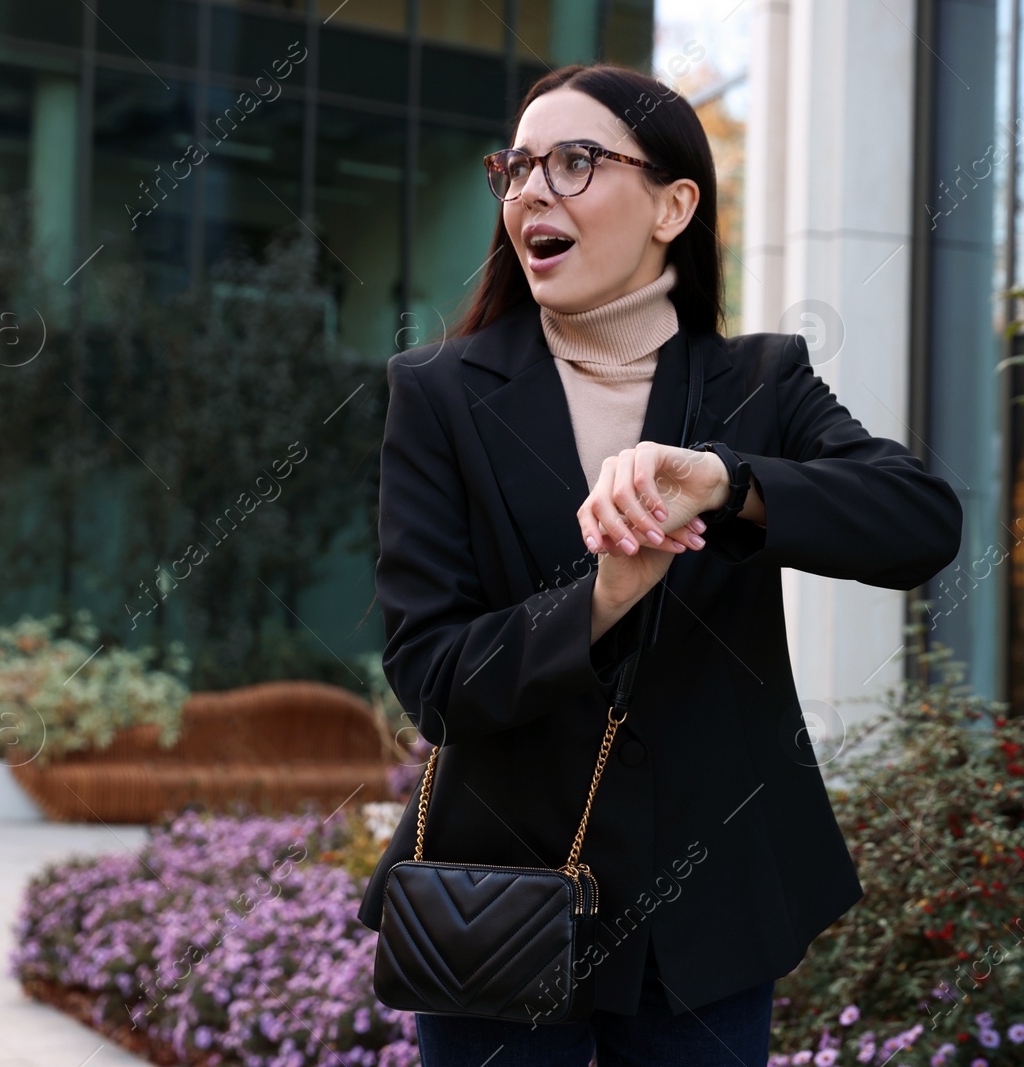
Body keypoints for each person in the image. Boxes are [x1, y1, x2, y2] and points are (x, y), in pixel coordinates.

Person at [356, 62, 964, 1067]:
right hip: (495, 898)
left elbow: (921, 520)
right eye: (516, 165)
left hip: (709, 906)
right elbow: (433, 679)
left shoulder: (761, 382)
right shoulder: (437, 394)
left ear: (674, 204)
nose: (530, 190)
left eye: (576, 161)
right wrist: (598, 601)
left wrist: (728, 481)